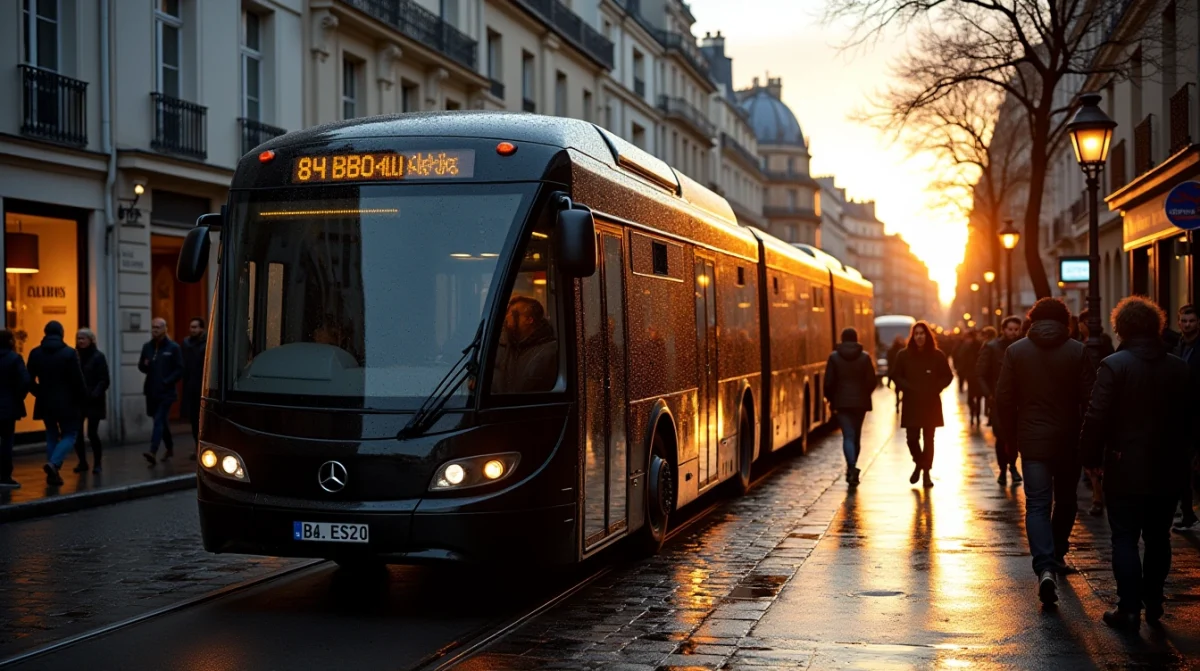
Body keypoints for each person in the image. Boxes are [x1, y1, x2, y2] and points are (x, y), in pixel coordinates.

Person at [1079, 296, 1190, 629]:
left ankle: (1129, 608)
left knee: (1125, 537)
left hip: (1124, 463)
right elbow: (1190, 417)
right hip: (1168, 464)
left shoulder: (1114, 364)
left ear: (1121, 328)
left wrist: (1090, 458)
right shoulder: (1178, 366)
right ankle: (1154, 601)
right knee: (1159, 536)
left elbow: (1096, 416)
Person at [996, 298, 1095, 605]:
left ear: (1033, 319)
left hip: (1033, 440)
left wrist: (1010, 440)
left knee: (1037, 504)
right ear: (1065, 320)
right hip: (1068, 439)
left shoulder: (1016, 351)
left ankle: (1045, 568)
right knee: (1066, 500)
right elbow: (1090, 398)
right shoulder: (1078, 351)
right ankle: (1058, 550)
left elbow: (1003, 399)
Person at [890, 321, 953, 488]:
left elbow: (948, 375)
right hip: (911, 402)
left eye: (922, 333)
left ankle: (926, 473)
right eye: (916, 333)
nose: (919, 337)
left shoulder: (937, 355)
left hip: (930, 402)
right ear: (912, 336)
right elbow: (896, 375)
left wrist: (936, 387)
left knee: (929, 439)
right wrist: (907, 387)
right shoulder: (903, 355)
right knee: (912, 439)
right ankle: (919, 463)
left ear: (927, 335)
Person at [27, 321, 88, 486]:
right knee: (70, 434)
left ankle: (53, 474)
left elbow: (28, 380)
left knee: (51, 433)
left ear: (45, 332)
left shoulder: (35, 353)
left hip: (45, 401)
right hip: (67, 401)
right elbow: (78, 380)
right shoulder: (69, 353)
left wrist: (38, 392)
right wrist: (83, 398)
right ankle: (53, 464)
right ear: (61, 333)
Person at [824, 327, 877, 487]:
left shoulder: (834, 358)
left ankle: (851, 467)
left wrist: (831, 399)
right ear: (856, 339)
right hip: (860, 403)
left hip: (842, 402)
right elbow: (871, 381)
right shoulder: (865, 357)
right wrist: (864, 394)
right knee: (856, 436)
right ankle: (852, 468)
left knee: (848, 435)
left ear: (842, 339)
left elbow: (828, 383)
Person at [1077, 308, 1116, 518]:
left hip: (1098, 401)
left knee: (1098, 450)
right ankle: (1097, 494)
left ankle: (1099, 496)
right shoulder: (1079, 344)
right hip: (1087, 403)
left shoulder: (1100, 342)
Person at [976, 317, 1023, 486]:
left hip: (1018, 401)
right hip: (998, 401)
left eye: (1016, 329)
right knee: (1001, 436)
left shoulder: (1023, 347)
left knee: (1014, 437)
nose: (1013, 332)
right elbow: (981, 374)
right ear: (1003, 329)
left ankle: (1012, 465)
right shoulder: (992, 347)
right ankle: (1004, 469)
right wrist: (989, 395)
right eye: (1010, 329)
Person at [140, 318, 184, 465]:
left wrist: (167, 381)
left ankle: (153, 451)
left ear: (165, 329)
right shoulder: (147, 347)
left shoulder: (173, 348)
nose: (155, 330)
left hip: (166, 392)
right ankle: (170, 447)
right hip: (151, 391)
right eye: (153, 327)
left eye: (158, 327)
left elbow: (180, 369)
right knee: (161, 422)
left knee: (159, 421)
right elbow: (142, 366)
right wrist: (145, 365)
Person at [1171, 304, 1200, 532]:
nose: (1188, 324)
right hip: (1182, 416)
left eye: (1191, 320)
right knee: (1182, 467)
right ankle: (1188, 512)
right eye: (1184, 320)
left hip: (1197, 414)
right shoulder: (1178, 346)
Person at [492, 296, 558, 394]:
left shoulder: (549, 352)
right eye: (507, 313)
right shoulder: (505, 347)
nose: (507, 318)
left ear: (529, 320)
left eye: (513, 314)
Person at [75, 329, 110, 474]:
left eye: (83, 338)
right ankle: (82, 462)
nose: (80, 341)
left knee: (92, 433)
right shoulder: (75, 356)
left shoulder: (98, 357)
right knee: (77, 433)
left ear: (91, 340)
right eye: (78, 338)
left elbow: (104, 379)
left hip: (94, 400)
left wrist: (95, 393)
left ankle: (97, 463)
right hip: (79, 400)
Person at [0, 329, 31, 490]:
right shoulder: (14, 358)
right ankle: (4, 475)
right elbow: (25, 380)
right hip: (8, 406)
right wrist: (18, 397)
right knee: (6, 441)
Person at [180, 317, 207, 459]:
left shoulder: (206, 343)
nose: (193, 330)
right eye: (191, 327)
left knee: (202, 420)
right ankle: (197, 447)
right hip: (190, 387)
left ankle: (201, 448)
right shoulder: (186, 344)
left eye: (195, 327)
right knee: (193, 420)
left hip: (202, 387)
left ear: (202, 328)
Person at [955, 331, 985, 426]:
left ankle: (975, 415)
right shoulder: (977, 345)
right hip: (974, 375)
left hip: (974, 374)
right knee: (976, 397)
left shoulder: (969, 346)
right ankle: (975, 415)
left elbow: (961, 357)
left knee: (974, 397)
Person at [887, 336, 905, 412]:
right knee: (903, 390)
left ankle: (897, 402)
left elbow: (889, 363)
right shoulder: (902, 351)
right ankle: (899, 401)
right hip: (901, 373)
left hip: (894, 373)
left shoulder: (891, 351)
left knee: (897, 390)